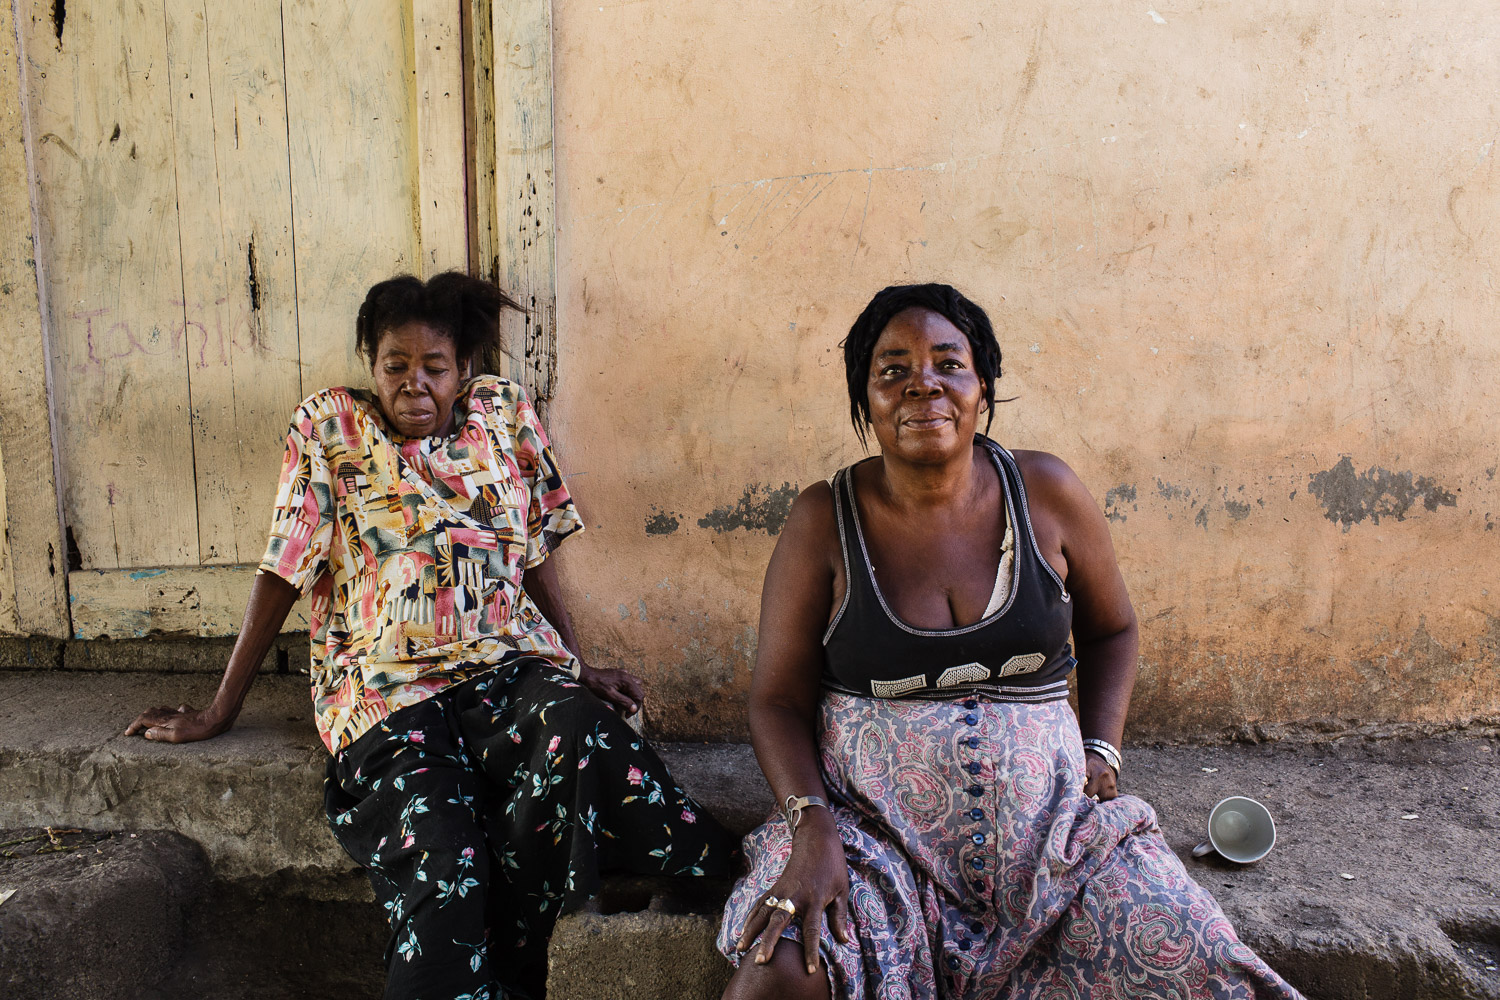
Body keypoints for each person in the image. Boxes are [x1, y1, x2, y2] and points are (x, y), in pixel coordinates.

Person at [127, 271, 734, 1000]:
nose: (413, 384)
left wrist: (576, 664)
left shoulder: (503, 412)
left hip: (505, 666)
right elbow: (284, 566)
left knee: (581, 729)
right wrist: (219, 709)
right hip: (387, 691)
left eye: (433, 368)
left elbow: (534, 545)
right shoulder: (330, 427)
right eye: (395, 365)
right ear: (371, 363)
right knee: (445, 866)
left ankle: (728, 884)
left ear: (463, 369)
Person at [716, 283, 1304, 999]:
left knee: (1193, 953)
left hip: (1053, 843)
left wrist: (1103, 747)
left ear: (983, 388)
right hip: (870, 840)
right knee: (783, 969)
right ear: (864, 401)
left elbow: (1114, 627)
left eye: (948, 364)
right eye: (892, 371)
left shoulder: (1046, 491)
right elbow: (777, 700)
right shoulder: (823, 520)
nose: (922, 385)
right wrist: (812, 829)